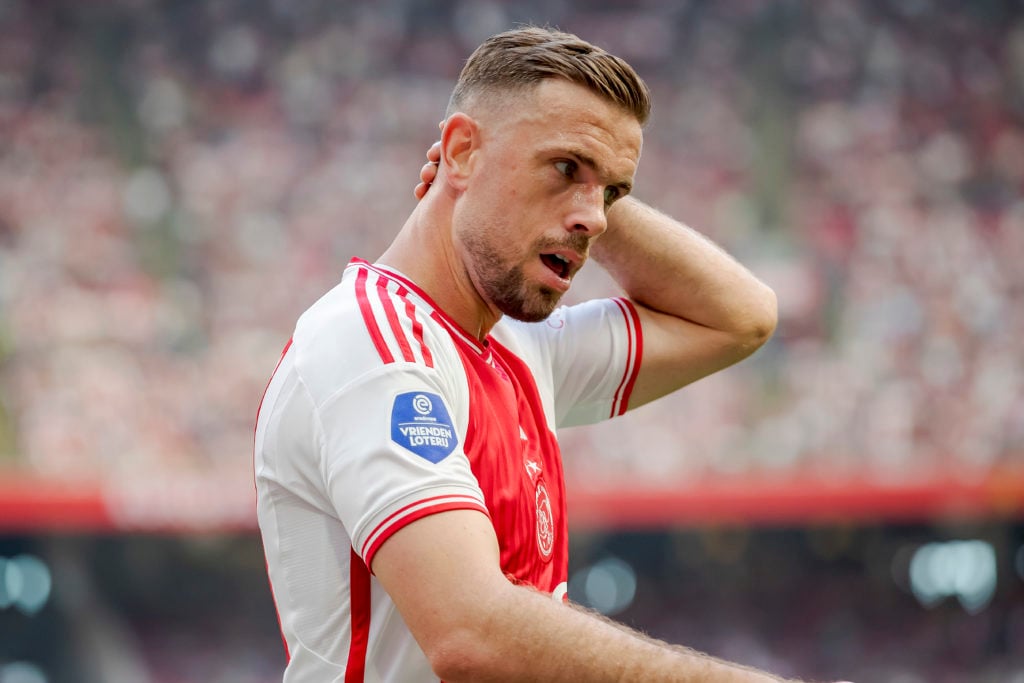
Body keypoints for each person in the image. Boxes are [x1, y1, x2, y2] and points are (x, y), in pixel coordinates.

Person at [255, 26, 840, 683]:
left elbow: (741, 318)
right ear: (461, 150)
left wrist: (589, 189)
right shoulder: (369, 344)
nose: (595, 219)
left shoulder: (516, 338)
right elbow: (471, 634)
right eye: (565, 168)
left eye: (613, 194)